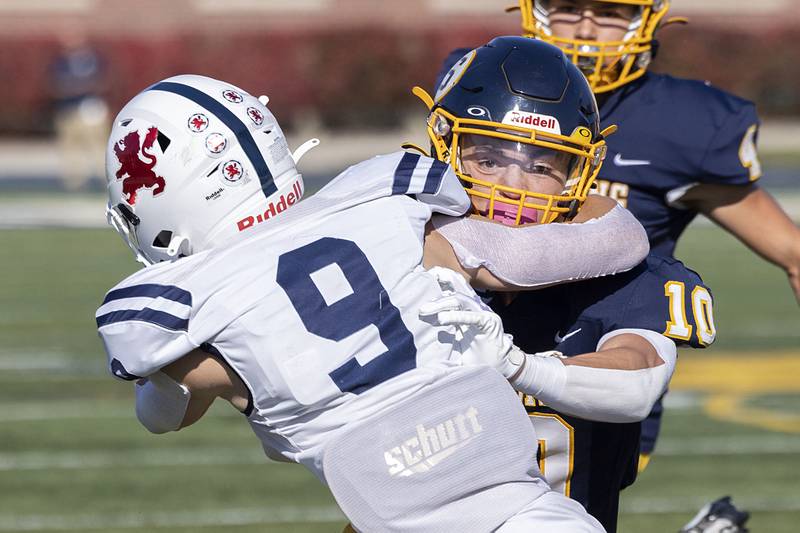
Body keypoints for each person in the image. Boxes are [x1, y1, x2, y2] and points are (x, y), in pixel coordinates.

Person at [95, 74, 612, 532]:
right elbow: (554, 251)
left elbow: (163, 414)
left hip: (395, 508)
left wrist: (177, 372)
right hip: (529, 512)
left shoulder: (183, 304)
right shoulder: (383, 196)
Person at [421, 36, 715, 532]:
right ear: (446, 146)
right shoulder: (394, 250)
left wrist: (518, 367)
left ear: (579, 173)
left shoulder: (618, 276)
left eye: (541, 166)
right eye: (488, 160)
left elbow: (639, 381)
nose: (512, 186)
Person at [49, 27, 110, 191]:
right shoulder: (60, 62)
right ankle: (74, 183)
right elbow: (57, 84)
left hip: (90, 109)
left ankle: (107, 179)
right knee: (70, 148)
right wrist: (77, 87)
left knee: (98, 145)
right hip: (68, 109)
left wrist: (79, 87)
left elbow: (102, 80)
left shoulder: (93, 59)